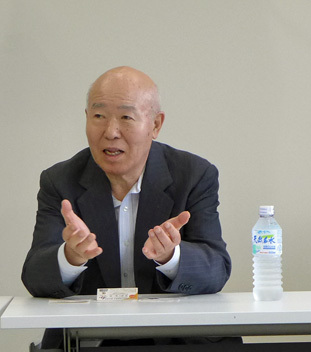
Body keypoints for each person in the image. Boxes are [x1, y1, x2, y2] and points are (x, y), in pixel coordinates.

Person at [22, 66, 231, 300]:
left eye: (126, 117)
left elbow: (217, 271)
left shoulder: (194, 175)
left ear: (155, 125)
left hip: (173, 334)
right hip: (90, 333)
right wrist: (70, 257)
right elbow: (34, 278)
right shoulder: (60, 181)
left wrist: (170, 256)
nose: (111, 132)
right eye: (99, 116)